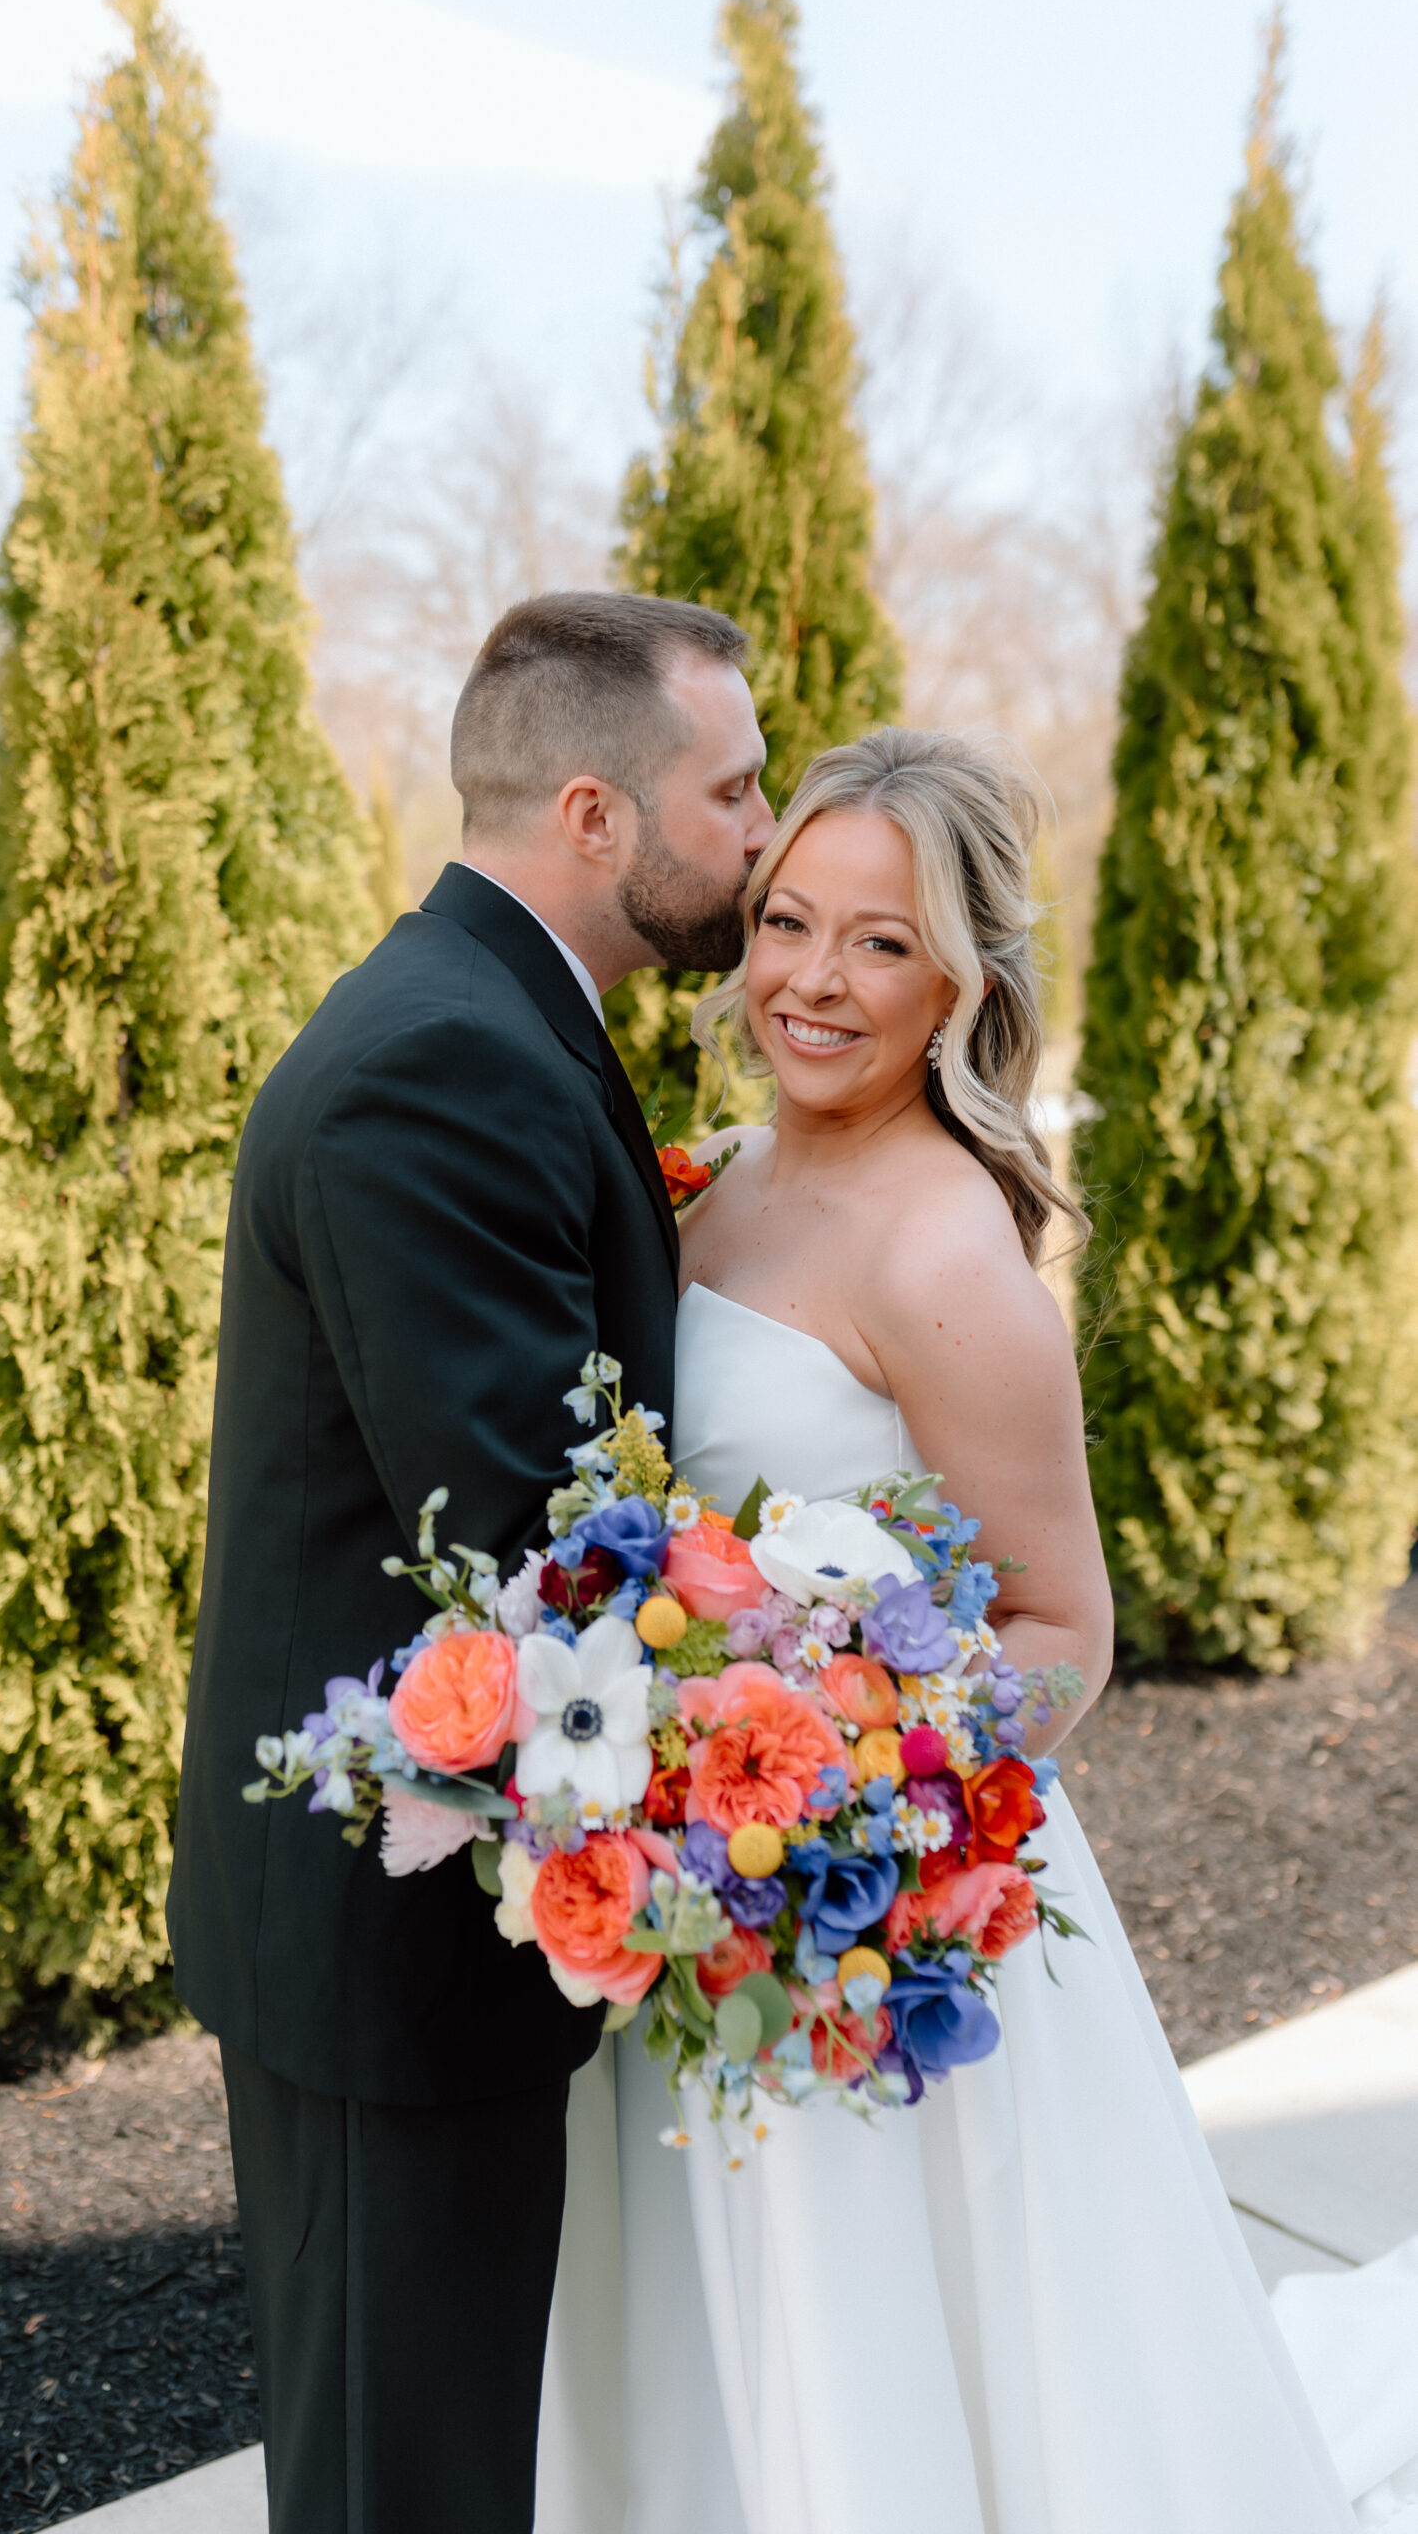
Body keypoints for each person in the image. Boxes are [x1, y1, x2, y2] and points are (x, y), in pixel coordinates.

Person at [537, 727, 1358, 2534]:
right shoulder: (721, 1174)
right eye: (788, 922)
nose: (812, 982)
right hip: (691, 1901)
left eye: (880, 943)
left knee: (890, 2375)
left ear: (960, 983)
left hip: (860, 1928)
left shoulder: (946, 1263)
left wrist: (865, 1804)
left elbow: (1068, 1620)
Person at [167, 591, 776, 2534]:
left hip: (434, 1916)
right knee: (398, 2479)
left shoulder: (500, 1017)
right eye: (732, 786)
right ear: (593, 813)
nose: (758, 831)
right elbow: (533, 1535)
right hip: (386, 1936)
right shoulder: (437, 1063)